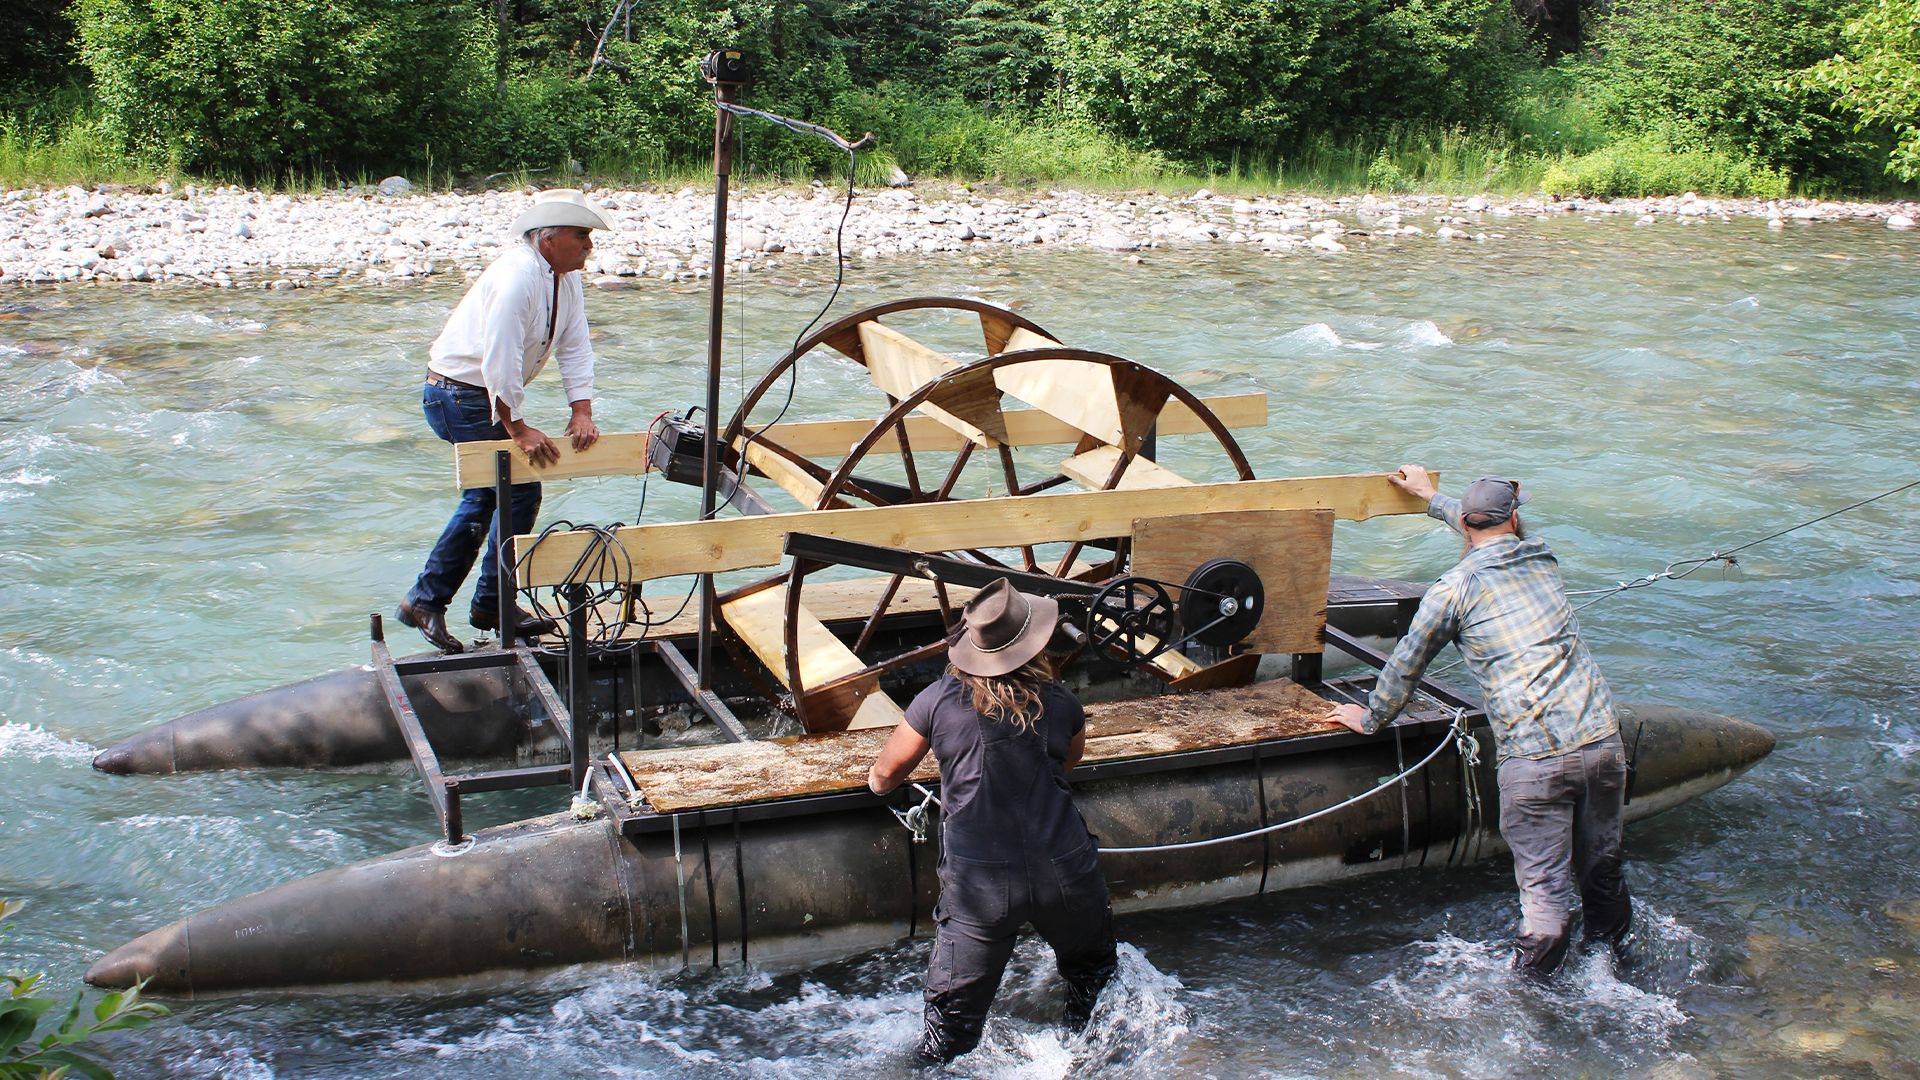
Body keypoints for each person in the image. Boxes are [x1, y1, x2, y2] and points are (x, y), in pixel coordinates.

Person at [1327, 466, 1631, 977]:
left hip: (1533, 762)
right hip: (1601, 743)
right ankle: (1619, 969)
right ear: (1514, 518)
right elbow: (1489, 532)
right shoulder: (1542, 558)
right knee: (1602, 867)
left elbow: (1406, 662)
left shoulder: (1450, 590)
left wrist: (1371, 718)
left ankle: (1535, 1006)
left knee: (1545, 896)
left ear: (1466, 523)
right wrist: (1430, 497)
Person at [868, 578, 1117, 1063]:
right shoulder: (1062, 702)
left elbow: (886, 773)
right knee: (1094, 981)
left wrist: (881, 788)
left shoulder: (937, 699)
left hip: (981, 884)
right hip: (1064, 868)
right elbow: (1068, 763)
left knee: (950, 1031)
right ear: (1035, 643)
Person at [395, 189, 611, 653]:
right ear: (549, 239)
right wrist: (517, 428)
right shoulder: (517, 276)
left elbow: (574, 343)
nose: (589, 245)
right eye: (582, 235)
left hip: (480, 394)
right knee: (505, 491)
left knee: (501, 493)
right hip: (458, 394)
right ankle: (442, 600)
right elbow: (500, 359)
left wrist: (581, 408)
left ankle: (467, 601)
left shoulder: (562, 277)